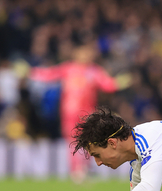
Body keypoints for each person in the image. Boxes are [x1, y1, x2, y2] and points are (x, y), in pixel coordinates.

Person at [28, 44, 130, 182]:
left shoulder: (94, 71)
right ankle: (76, 171)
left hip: (88, 113)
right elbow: (49, 74)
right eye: (83, 53)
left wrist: (118, 82)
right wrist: (30, 72)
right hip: (69, 112)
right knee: (73, 142)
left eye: (88, 54)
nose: (86, 56)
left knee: (90, 142)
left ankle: (85, 169)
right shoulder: (68, 68)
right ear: (76, 54)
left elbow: (107, 84)